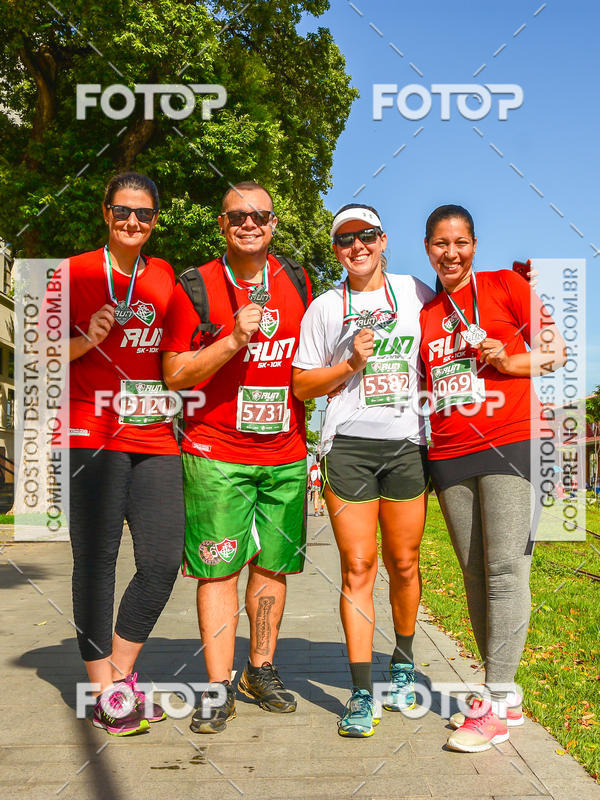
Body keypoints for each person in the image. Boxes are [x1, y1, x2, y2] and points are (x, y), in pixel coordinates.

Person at [161, 181, 312, 734]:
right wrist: (230, 340)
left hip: (285, 453)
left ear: (274, 223)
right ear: (221, 226)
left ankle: (260, 669)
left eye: (260, 216)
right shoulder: (194, 286)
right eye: (237, 217)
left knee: (272, 566)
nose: (250, 224)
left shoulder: (298, 279)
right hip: (215, 451)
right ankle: (217, 685)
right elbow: (175, 375)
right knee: (219, 567)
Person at [419, 204, 565, 752]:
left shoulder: (505, 285)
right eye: (439, 243)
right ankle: (506, 692)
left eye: (460, 242)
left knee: (506, 568)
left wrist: (508, 362)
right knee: (475, 573)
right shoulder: (428, 314)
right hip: (451, 451)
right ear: (427, 247)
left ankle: (495, 700)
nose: (450, 253)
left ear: (474, 245)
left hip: (511, 442)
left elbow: (555, 352)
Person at [293, 204, 433, 737]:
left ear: (383, 239)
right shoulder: (326, 308)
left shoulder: (416, 292)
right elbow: (303, 386)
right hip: (348, 447)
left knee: (404, 561)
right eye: (345, 240)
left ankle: (402, 660)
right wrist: (350, 364)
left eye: (367, 236)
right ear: (335, 250)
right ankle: (358, 692)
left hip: (406, 445)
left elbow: (452, 337)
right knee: (358, 566)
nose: (357, 247)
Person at [67, 172, 184, 735]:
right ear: (105, 213)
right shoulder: (73, 272)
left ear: (155, 219)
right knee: (97, 562)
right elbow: (37, 357)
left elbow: (180, 353)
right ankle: (103, 694)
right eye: (122, 211)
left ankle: (119, 676)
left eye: (143, 213)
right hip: (91, 433)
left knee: (163, 560)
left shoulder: (164, 276)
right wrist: (86, 338)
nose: (132, 221)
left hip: (154, 435)